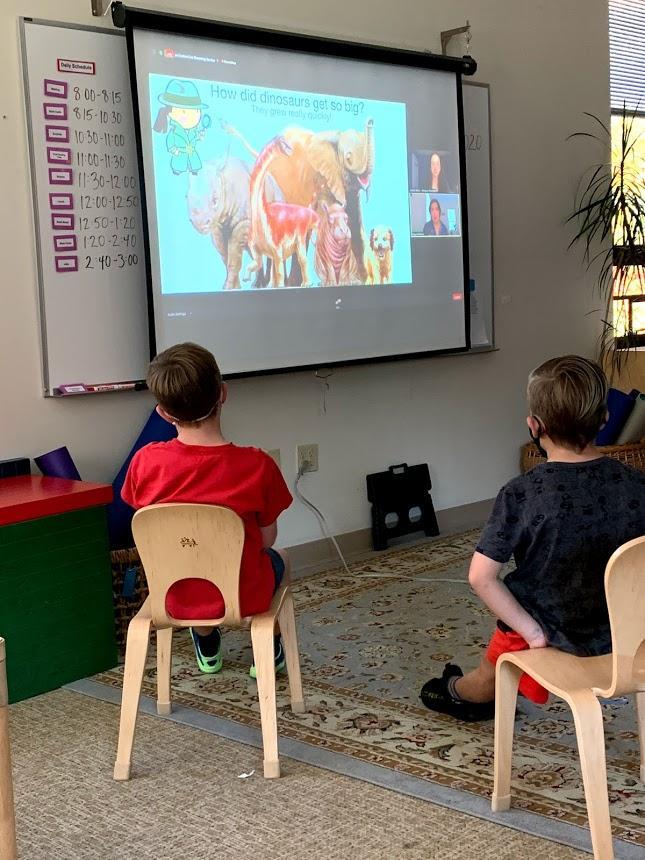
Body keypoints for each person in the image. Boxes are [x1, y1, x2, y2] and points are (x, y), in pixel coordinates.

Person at [420, 355, 645, 722]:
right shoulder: (636, 483)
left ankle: (461, 692)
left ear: (534, 426)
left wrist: (533, 632)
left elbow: (480, 577)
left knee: (491, 666)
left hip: (548, 631)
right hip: (624, 635)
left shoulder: (522, 493)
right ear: (605, 419)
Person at [122, 342, 292, 678]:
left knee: (194, 565)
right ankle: (267, 651)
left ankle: (206, 640)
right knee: (282, 557)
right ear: (223, 394)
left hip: (174, 595)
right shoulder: (257, 464)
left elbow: (147, 528)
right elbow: (266, 539)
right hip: (243, 596)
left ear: (164, 413)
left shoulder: (144, 463)